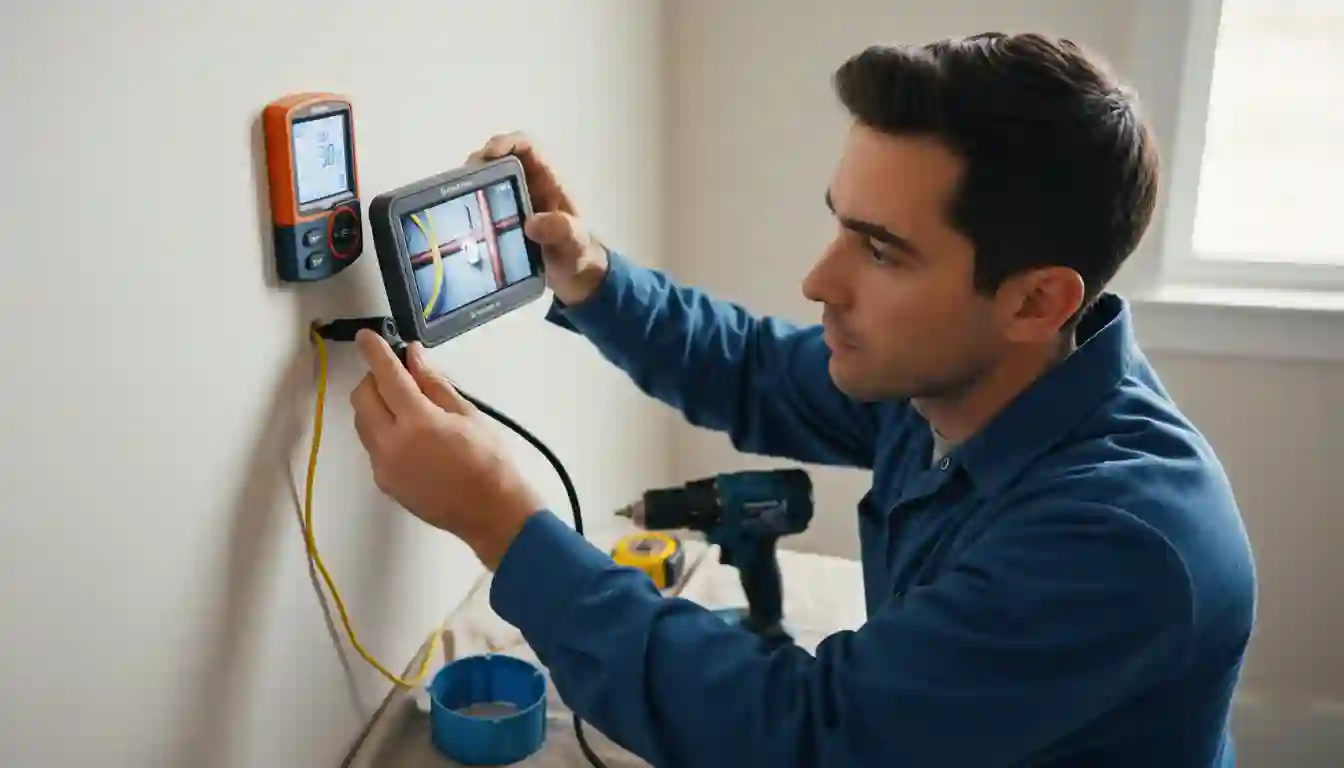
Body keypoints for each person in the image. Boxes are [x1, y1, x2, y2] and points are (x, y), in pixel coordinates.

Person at [348, 31, 1257, 767]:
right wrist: (588, 273)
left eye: (881, 250)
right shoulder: (965, 375)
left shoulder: (1121, 547)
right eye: (840, 224)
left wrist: (503, 525)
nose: (819, 280)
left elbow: (805, 739)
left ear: (1035, 301)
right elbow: (751, 369)